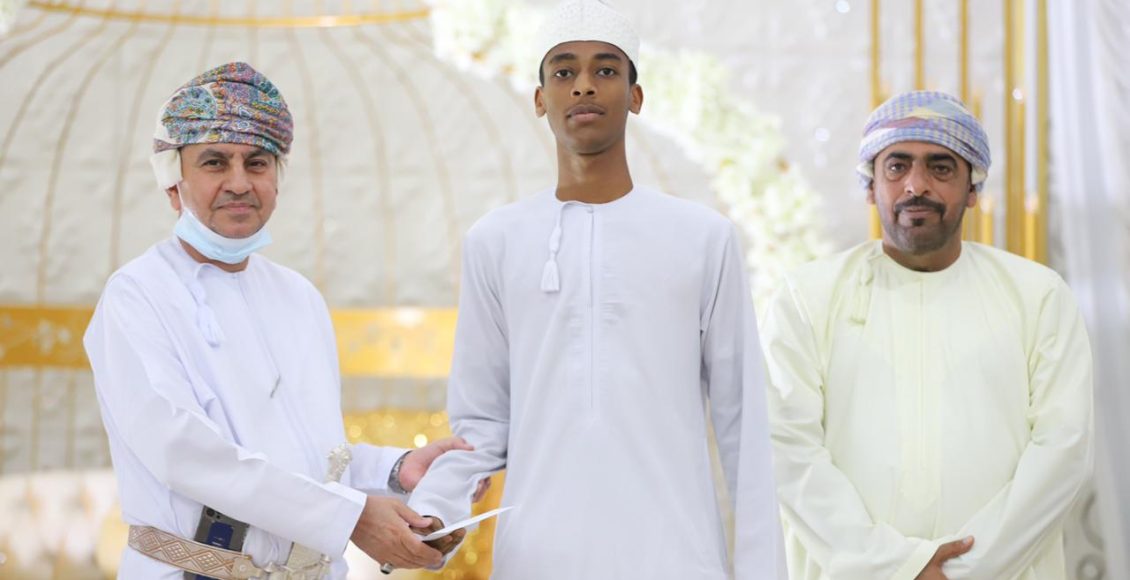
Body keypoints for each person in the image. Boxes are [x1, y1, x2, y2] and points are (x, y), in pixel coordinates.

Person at [402, 2, 785, 578]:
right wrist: (435, 510)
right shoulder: (495, 241)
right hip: (537, 558)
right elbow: (481, 422)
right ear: (540, 99)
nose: (583, 85)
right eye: (564, 71)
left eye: (606, 70)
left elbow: (745, 428)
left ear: (636, 96)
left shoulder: (703, 237)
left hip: (676, 556)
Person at [84, 62, 478, 579]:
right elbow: (185, 454)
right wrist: (351, 518)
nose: (239, 183)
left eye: (257, 163)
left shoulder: (298, 296)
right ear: (173, 182)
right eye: (215, 162)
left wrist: (397, 469)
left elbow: (311, 457)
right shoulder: (136, 295)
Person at [763, 90, 1093, 580]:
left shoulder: (1038, 296)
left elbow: (1062, 450)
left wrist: (965, 571)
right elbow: (786, 449)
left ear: (973, 188)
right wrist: (896, 567)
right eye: (897, 167)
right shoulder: (806, 298)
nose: (916, 186)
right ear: (871, 186)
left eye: (941, 168)